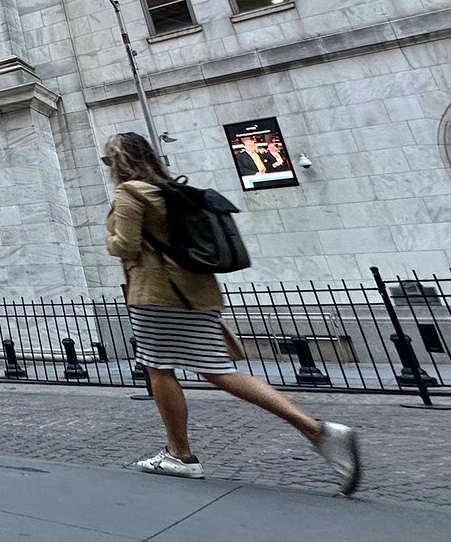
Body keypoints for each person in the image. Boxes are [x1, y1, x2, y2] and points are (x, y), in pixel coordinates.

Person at [102, 131, 360, 492]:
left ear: (118, 162)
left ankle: (181, 454)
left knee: (159, 369)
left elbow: (125, 245)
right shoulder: (171, 189)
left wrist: (110, 237)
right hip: (197, 292)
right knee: (220, 371)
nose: (108, 167)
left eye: (107, 160)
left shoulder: (130, 192)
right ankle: (315, 430)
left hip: (156, 295)